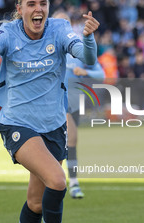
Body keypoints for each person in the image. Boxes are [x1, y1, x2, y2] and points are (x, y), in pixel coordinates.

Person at [0, 0, 99, 223]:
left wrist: (89, 37)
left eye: (43, 3)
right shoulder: (8, 33)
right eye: (31, 4)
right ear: (20, 9)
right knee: (58, 181)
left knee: (36, 202)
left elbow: (88, 58)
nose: (38, 9)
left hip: (53, 125)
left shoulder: (59, 28)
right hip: (16, 123)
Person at [53, 12, 105, 199]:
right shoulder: (46, 46)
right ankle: (65, 183)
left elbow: (101, 74)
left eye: (65, 22)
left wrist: (84, 71)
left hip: (74, 103)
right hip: (56, 102)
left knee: (69, 145)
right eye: (58, 22)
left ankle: (71, 182)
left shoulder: (77, 47)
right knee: (70, 139)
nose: (62, 25)